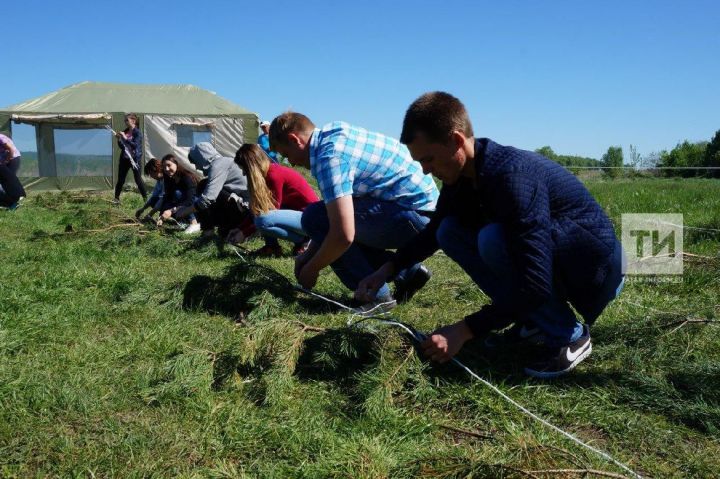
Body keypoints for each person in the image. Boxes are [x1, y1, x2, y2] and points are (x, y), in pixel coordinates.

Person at [356, 92, 625, 378]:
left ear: (457, 141)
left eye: (429, 159)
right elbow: (434, 232)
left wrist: (464, 330)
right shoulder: (462, 177)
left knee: (493, 240)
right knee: (449, 231)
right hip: (559, 259)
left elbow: (535, 283)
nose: (425, 171)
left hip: (597, 270)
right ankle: (534, 322)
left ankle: (569, 335)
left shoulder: (512, 178)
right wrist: (388, 268)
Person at [268, 112, 440, 312]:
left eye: (287, 155)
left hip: (414, 218)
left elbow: (341, 235)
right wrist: (307, 255)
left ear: (294, 139)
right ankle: (409, 274)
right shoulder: (334, 134)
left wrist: (312, 269)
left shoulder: (329, 158)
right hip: (423, 217)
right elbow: (335, 218)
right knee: (324, 218)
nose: (291, 163)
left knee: (314, 217)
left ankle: (375, 297)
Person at [228, 143, 319, 256]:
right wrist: (240, 229)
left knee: (263, 220)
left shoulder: (274, 176)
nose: (243, 173)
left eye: (244, 170)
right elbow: (259, 209)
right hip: (301, 216)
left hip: (313, 220)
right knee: (262, 214)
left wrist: (245, 233)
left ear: (251, 167)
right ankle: (272, 247)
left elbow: (269, 212)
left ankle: (305, 241)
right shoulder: (267, 174)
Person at [174, 142, 250, 238]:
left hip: (244, 209)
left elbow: (208, 198)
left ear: (201, 157)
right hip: (243, 206)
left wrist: (185, 211)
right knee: (206, 186)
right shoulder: (225, 161)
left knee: (203, 186)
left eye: (196, 163)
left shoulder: (217, 165)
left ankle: (208, 230)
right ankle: (223, 226)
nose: (197, 167)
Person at [157, 154, 201, 234]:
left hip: (198, 206)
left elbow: (190, 200)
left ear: (176, 164)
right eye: (164, 167)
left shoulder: (187, 177)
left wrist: (171, 210)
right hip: (185, 206)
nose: (166, 169)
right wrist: (161, 216)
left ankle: (194, 223)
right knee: (171, 199)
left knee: (177, 194)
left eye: (169, 165)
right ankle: (184, 222)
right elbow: (167, 197)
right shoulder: (169, 178)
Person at [113, 113, 147, 204]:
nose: (125, 122)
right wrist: (119, 139)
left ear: (133, 121)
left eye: (126, 120)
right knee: (121, 180)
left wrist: (125, 138)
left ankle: (146, 200)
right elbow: (122, 147)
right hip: (125, 158)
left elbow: (135, 145)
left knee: (138, 180)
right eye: (125, 120)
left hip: (135, 159)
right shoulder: (126, 131)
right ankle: (116, 199)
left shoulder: (138, 132)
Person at [0, 133, 26, 209]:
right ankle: (7, 202)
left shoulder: (0, 137)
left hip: (13, 159)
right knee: (5, 181)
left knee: (8, 180)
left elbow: (10, 148)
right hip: (5, 161)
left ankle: (15, 199)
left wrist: (8, 159)